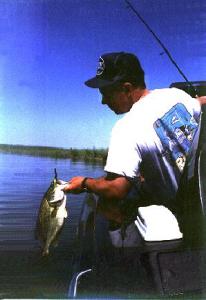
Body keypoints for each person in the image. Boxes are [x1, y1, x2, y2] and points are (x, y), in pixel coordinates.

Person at [63, 52, 201, 247]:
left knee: (105, 203)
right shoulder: (176, 95)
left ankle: (120, 257)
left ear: (126, 88)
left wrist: (84, 183)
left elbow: (116, 189)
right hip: (196, 193)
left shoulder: (126, 128)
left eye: (105, 93)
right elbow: (200, 102)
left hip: (179, 210)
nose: (103, 102)